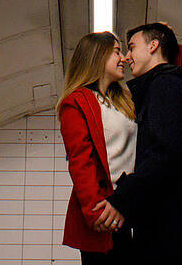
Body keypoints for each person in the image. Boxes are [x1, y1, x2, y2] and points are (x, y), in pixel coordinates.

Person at [95, 22, 182, 265]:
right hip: (178, 226)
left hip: (173, 230)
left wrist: (121, 199)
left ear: (153, 46)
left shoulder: (165, 86)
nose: (127, 58)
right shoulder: (165, 86)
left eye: (131, 48)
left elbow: (163, 154)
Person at [58, 32, 139, 264]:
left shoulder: (124, 99)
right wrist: (97, 214)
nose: (123, 58)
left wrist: (167, 43)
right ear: (97, 56)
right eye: (116, 52)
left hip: (132, 204)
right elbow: (80, 161)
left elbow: (163, 91)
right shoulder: (76, 102)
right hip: (107, 212)